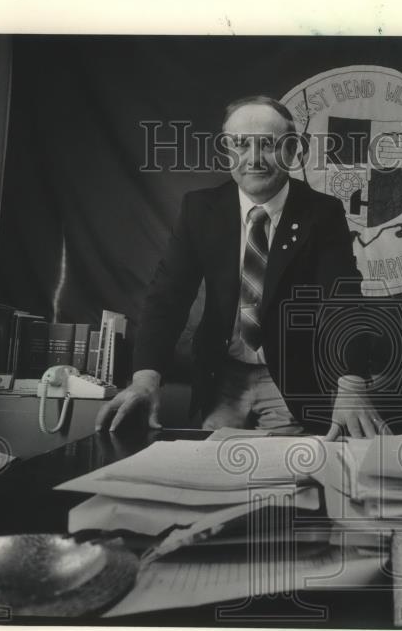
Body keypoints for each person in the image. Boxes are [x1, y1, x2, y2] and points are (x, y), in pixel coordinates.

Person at [95, 95, 385, 439]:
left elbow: (343, 300)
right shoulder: (199, 210)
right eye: (240, 145)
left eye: (267, 145)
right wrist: (145, 379)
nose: (253, 159)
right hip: (222, 377)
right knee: (213, 470)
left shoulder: (322, 213)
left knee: (286, 475)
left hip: (291, 378)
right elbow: (167, 298)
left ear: (293, 151)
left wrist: (352, 381)